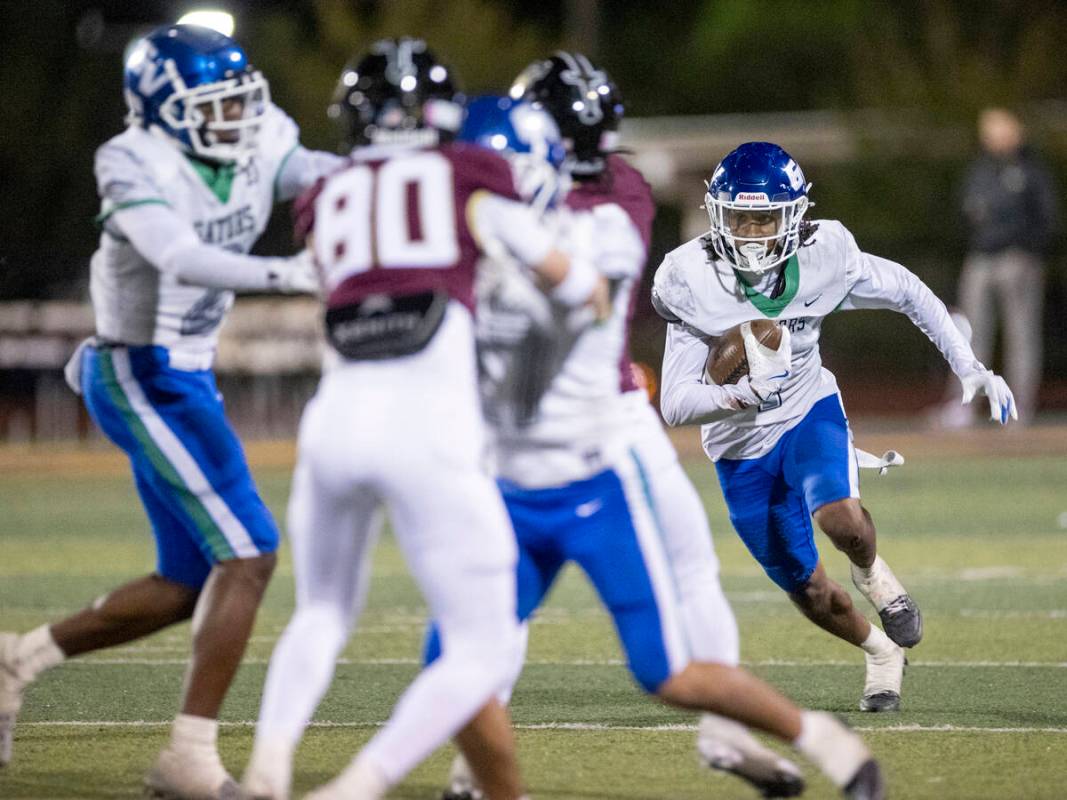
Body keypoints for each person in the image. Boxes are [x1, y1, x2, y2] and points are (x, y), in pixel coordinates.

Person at [429, 57, 885, 800]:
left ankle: (733, 731)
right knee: (508, 606)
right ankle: (480, 764)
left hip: (552, 424)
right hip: (576, 425)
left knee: (509, 604)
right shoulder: (613, 193)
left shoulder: (566, 205)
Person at [240, 39, 607, 800]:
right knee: (481, 644)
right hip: (428, 428)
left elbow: (351, 268)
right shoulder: (471, 173)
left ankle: (266, 772)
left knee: (321, 613)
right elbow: (576, 288)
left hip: (334, 423)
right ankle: (356, 786)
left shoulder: (329, 192)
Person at [0, 23, 344, 798]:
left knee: (187, 580)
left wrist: (377, 178)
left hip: (186, 372)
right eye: (216, 108)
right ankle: (188, 757)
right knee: (250, 553)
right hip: (139, 370)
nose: (237, 120)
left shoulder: (256, 137)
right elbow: (180, 255)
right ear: (162, 111)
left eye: (239, 102)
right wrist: (292, 270)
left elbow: (307, 168)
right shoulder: (131, 159)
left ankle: (19, 659)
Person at [652, 141, 1017, 716]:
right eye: (740, 218)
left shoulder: (827, 255)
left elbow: (908, 292)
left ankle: (875, 575)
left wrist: (968, 365)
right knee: (811, 590)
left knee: (840, 519)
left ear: (794, 218)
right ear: (717, 215)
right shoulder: (688, 277)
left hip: (805, 409)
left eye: (764, 218)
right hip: (738, 447)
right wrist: (742, 393)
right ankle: (880, 654)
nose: (750, 233)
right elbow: (675, 404)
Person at [950, 108, 1059, 426]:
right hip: (981, 258)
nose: (995, 137)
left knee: (1021, 335)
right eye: (989, 131)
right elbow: (964, 212)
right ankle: (964, 407)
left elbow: (1047, 219)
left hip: (1018, 259)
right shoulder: (980, 170)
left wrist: (1025, 247)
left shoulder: (1031, 170)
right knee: (967, 333)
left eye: (1000, 129)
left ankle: (1018, 407)